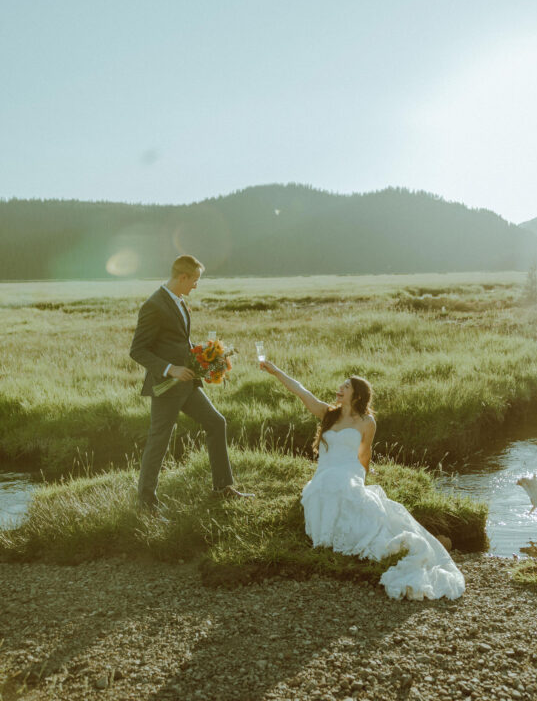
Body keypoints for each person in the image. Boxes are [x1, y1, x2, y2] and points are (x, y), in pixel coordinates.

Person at [260, 360, 465, 601]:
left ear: (357, 395)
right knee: (325, 487)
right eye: (342, 385)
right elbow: (300, 390)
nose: (340, 388)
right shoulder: (327, 414)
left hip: (349, 471)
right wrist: (275, 372)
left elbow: (364, 454)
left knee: (348, 494)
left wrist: (361, 480)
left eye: (346, 386)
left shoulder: (367, 423)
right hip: (326, 472)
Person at [130, 254, 251, 512]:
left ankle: (222, 488)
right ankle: (146, 503)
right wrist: (170, 369)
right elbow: (138, 350)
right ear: (182, 277)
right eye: (194, 280)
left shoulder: (179, 301)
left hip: (188, 384)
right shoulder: (154, 305)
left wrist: (205, 355)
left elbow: (177, 341)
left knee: (216, 423)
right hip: (167, 387)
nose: (196, 285)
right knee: (159, 440)